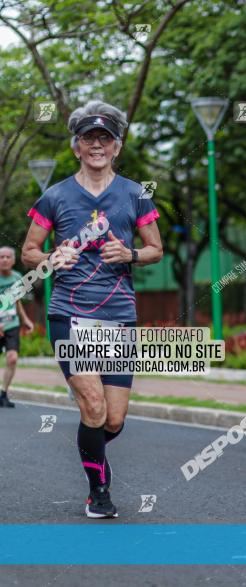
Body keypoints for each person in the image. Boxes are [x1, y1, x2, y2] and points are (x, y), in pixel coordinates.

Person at [21, 100, 163, 518]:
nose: (97, 145)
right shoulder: (55, 196)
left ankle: (93, 449)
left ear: (117, 147)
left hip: (119, 314)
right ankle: (98, 491)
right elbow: (30, 251)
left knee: (113, 420)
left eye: (105, 138)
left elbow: (156, 249)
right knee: (94, 408)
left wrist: (131, 254)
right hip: (70, 314)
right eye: (89, 138)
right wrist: (50, 260)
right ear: (76, 147)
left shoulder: (136, 193)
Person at [0, 247, 35, 407]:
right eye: (2, 257)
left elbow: (17, 301)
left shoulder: (18, 278)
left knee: (12, 358)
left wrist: (26, 320)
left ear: (13, 260)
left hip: (11, 323)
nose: (5, 260)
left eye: (8, 257)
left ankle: (4, 393)